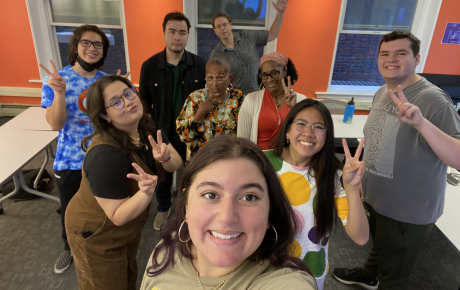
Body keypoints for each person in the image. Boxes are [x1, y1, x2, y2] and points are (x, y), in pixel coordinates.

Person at [333, 31, 460, 290]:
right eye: (385, 54)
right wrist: (362, 179)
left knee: (394, 274)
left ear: (417, 59)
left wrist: (422, 124)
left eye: (401, 53)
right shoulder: (382, 92)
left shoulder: (433, 100)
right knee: (382, 246)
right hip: (378, 199)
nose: (391, 59)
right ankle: (369, 275)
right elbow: (381, 142)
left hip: (407, 211)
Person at [140, 135, 317, 290]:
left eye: (248, 197)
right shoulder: (165, 251)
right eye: (210, 194)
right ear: (186, 204)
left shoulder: (283, 283)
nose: (226, 217)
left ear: (269, 211)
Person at [65, 75, 182, 289]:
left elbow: (175, 164)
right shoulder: (105, 156)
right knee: (105, 283)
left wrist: (164, 157)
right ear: (104, 115)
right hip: (95, 231)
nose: (128, 101)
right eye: (116, 102)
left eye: (128, 93)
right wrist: (146, 194)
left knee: (128, 273)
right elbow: (117, 216)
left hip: (127, 226)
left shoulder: (146, 126)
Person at [264, 99, 369, 290]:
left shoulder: (335, 176)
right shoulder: (261, 163)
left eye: (318, 127)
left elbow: (361, 237)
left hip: (308, 272)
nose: (309, 133)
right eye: (301, 124)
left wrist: (351, 188)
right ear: (287, 130)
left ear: (326, 137)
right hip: (263, 268)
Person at [39, 24, 110, 274]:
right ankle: (69, 248)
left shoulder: (106, 82)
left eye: (98, 44)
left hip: (101, 157)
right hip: (69, 160)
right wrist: (59, 93)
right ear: (76, 47)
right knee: (70, 211)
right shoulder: (57, 79)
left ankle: (100, 245)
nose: (92, 48)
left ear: (103, 51)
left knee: (103, 206)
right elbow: (55, 125)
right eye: (86, 43)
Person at [139, 11, 207, 231]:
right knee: (164, 175)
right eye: (172, 32)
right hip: (163, 133)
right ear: (164, 33)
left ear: (187, 36)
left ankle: (191, 210)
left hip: (192, 134)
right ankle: (163, 207)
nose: (177, 37)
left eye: (182, 32)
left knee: (193, 174)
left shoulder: (200, 64)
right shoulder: (149, 66)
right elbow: (144, 103)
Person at [210, 0, 289, 94]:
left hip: (263, 92)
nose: (222, 28)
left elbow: (272, 34)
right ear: (215, 31)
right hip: (240, 99)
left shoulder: (247, 36)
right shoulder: (216, 55)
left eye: (224, 24)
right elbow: (217, 82)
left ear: (230, 25)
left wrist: (280, 13)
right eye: (218, 26)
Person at [176, 57, 245, 162]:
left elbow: (245, 133)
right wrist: (200, 112)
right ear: (205, 79)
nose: (215, 83)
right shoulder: (195, 98)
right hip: (201, 162)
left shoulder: (238, 98)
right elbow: (184, 137)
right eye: (210, 78)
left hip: (230, 160)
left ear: (230, 79)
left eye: (220, 78)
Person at [237, 52, 306, 150]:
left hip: (290, 158)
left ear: (285, 70)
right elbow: (242, 139)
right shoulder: (251, 100)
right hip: (260, 158)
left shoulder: (300, 100)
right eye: (265, 75)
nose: (269, 79)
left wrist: (293, 108)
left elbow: (305, 132)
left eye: (274, 73)